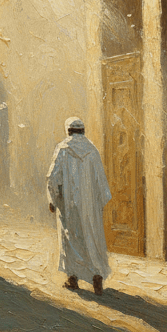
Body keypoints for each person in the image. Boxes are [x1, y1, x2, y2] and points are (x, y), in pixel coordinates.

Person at [46, 116, 112, 295]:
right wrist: (99, 202)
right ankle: (96, 277)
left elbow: (52, 177)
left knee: (71, 238)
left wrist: (53, 199)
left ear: (68, 131)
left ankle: (72, 279)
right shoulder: (92, 150)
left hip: (69, 205)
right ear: (83, 131)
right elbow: (101, 182)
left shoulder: (62, 149)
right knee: (92, 239)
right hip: (90, 206)